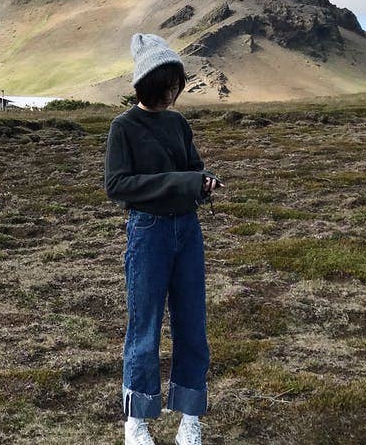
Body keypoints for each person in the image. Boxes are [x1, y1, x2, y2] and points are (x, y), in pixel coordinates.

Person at [104, 33, 223, 445]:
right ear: (148, 82)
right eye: (167, 85)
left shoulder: (178, 123)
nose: (173, 93)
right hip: (148, 232)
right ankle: (136, 419)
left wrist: (202, 181)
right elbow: (117, 185)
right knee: (145, 325)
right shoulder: (124, 127)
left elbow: (193, 165)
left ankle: (190, 415)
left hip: (187, 230)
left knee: (193, 324)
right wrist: (182, 181)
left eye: (177, 85)